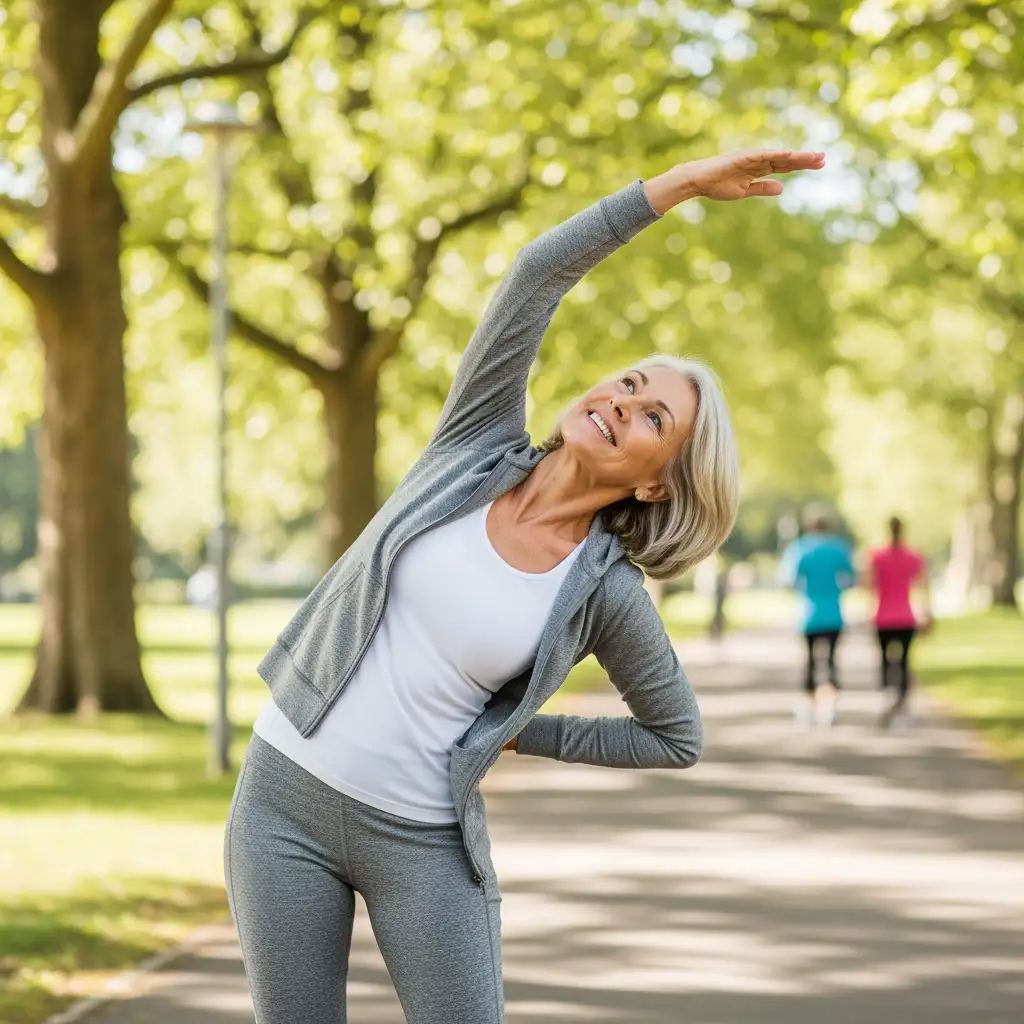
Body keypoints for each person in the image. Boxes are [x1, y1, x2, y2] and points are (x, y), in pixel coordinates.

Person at [225, 147, 826, 1023]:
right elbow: (538, 274)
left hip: (420, 840)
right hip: (284, 797)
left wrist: (515, 734)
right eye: (629, 382)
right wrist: (683, 185)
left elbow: (675, 737)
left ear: (659, 481)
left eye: (654, 415)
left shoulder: (602, 593)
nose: (623, 401)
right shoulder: (474, 443)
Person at [780, 509, 855, 726]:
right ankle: (829, 709)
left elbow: (790, 581)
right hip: (833, 614)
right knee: (831, 661)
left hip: (809, 615)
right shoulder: (839, 548)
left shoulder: (800, 548)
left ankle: (808, 708)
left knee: (810, 662)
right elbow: (851, 580)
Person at [867, 516, 930, 728]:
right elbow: (923, 587)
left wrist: (868, 612)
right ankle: (902, 707)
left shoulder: (877, 556)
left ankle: (887, 697)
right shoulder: (913, 557)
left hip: (883, 617)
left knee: (885, 661)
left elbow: (870, 587)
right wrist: (926, 613)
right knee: (904, 663)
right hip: (905, 617)